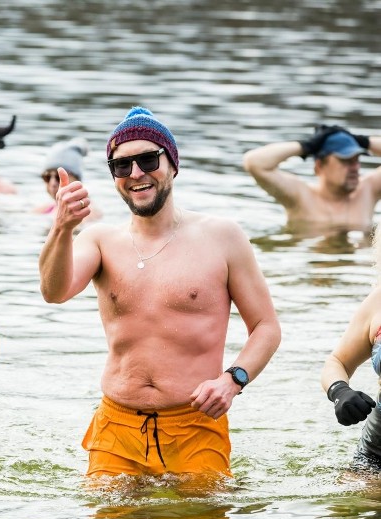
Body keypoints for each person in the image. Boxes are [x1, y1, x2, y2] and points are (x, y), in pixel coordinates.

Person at [38, 106, 281, 477]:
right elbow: (54, 293)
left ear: (172, 164)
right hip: (116, 425)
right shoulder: (100, 239)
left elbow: (266, 326)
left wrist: (233, 380)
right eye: (122, 166)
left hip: (196, 424)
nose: (136, 174)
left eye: (148, 160)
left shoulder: (222, 236)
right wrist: (61, 228)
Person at [320, 228, 381, 470]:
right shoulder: (377, 302)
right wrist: (340, 391)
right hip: (376, 453)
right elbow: (337, 362)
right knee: (348, 505)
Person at [243, 125, 381, 231]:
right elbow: (254, 162)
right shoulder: (301, 196)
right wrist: (306, 147)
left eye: (356, 160)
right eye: (345, 160)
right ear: (319, 166)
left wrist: (363, 141)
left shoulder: (367, 191)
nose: (355, 167)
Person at [36, 137, 102, 221]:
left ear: (77, 180)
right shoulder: (45, 210)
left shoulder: (89, 213)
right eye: (47, 177)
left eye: (59, 177)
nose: (52, 183)